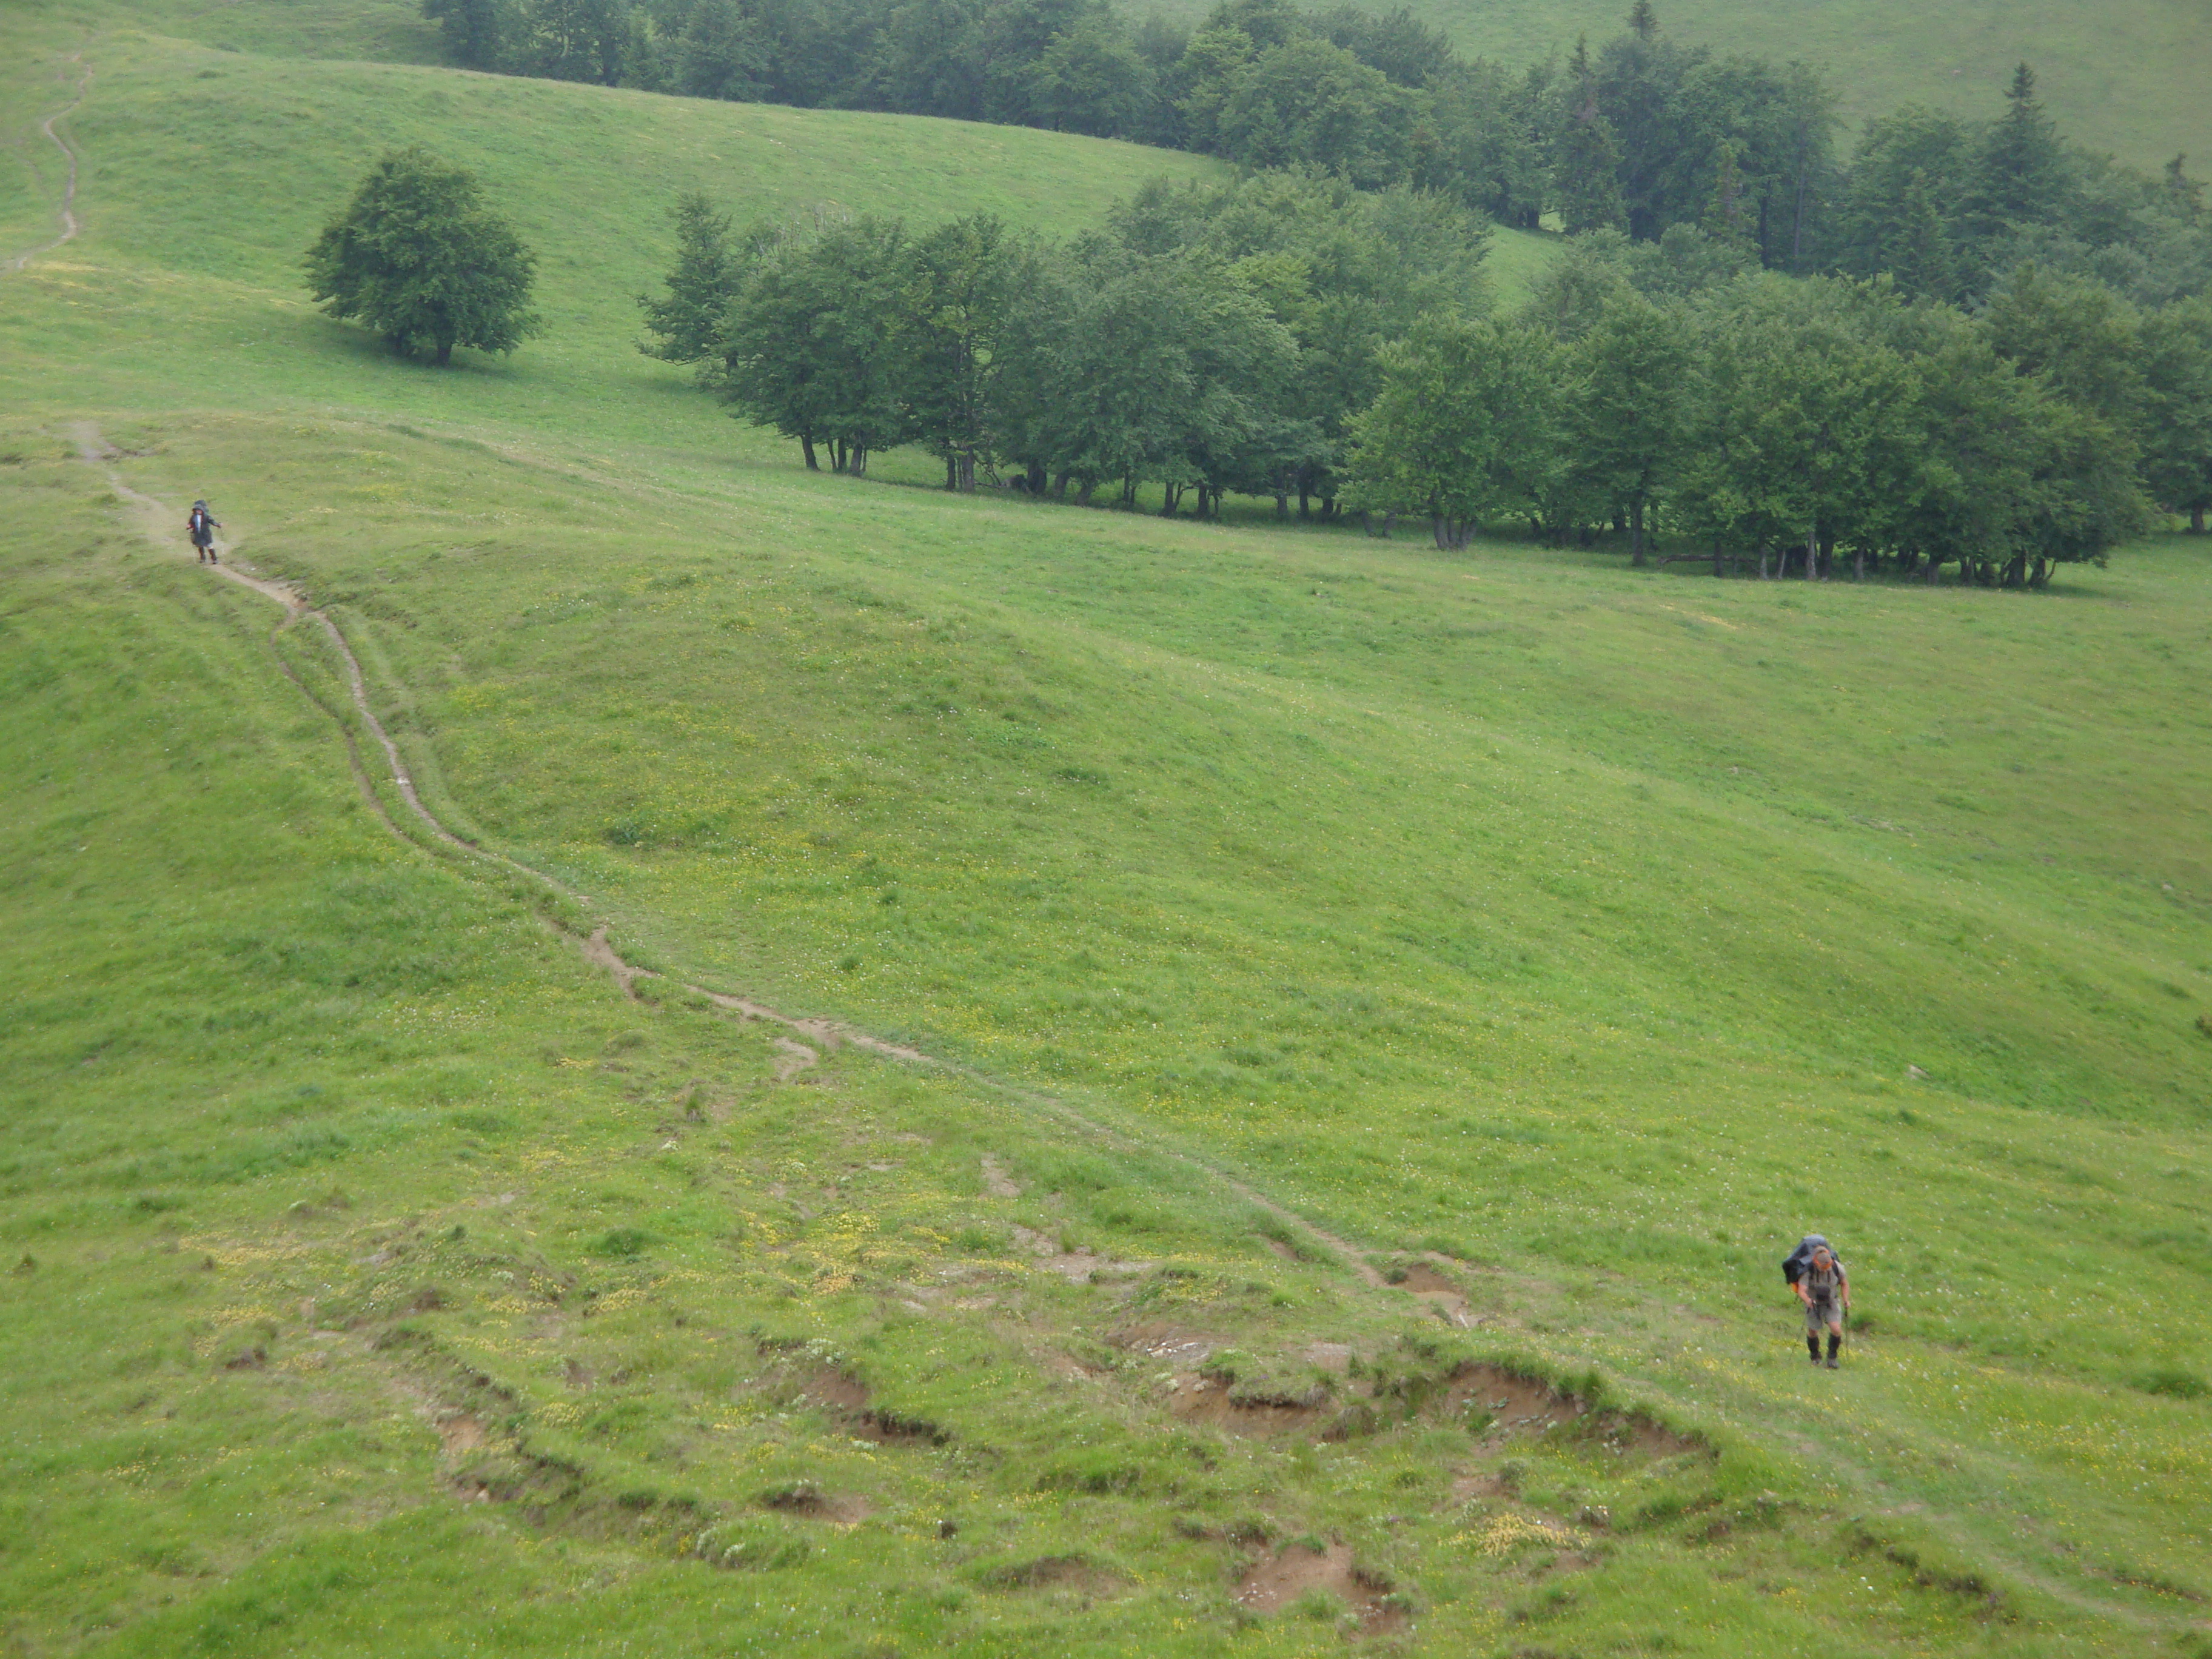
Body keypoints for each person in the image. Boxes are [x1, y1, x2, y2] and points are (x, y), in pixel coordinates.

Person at [1795, 1241, 1848, 1368]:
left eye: (1828, 1266)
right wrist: (1808, 1300)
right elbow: (1801, 1290)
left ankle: (1832, 1358)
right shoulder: (1808, 1271)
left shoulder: (1837, 1268)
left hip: (1831, 1302)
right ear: (1816, 1262)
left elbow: (1844, 1283)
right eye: (1823, 1267)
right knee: (1813, 1331)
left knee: (1836, 1329)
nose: (1826, 1269)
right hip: (1813, 1303)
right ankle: (1815, 1356)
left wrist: (1846, 1300)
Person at [188, 500, 221, 564]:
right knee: (200, 546)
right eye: (197, 510)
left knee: (209, 546)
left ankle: (214, 559)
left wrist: (218, 525)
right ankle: (203, 559)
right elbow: (191, 523)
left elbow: (212, 522)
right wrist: (189, 526)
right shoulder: (193, 517)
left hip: (206, 534)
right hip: (198, 534)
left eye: (199, 510)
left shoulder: (206, 516)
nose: (198, 511)